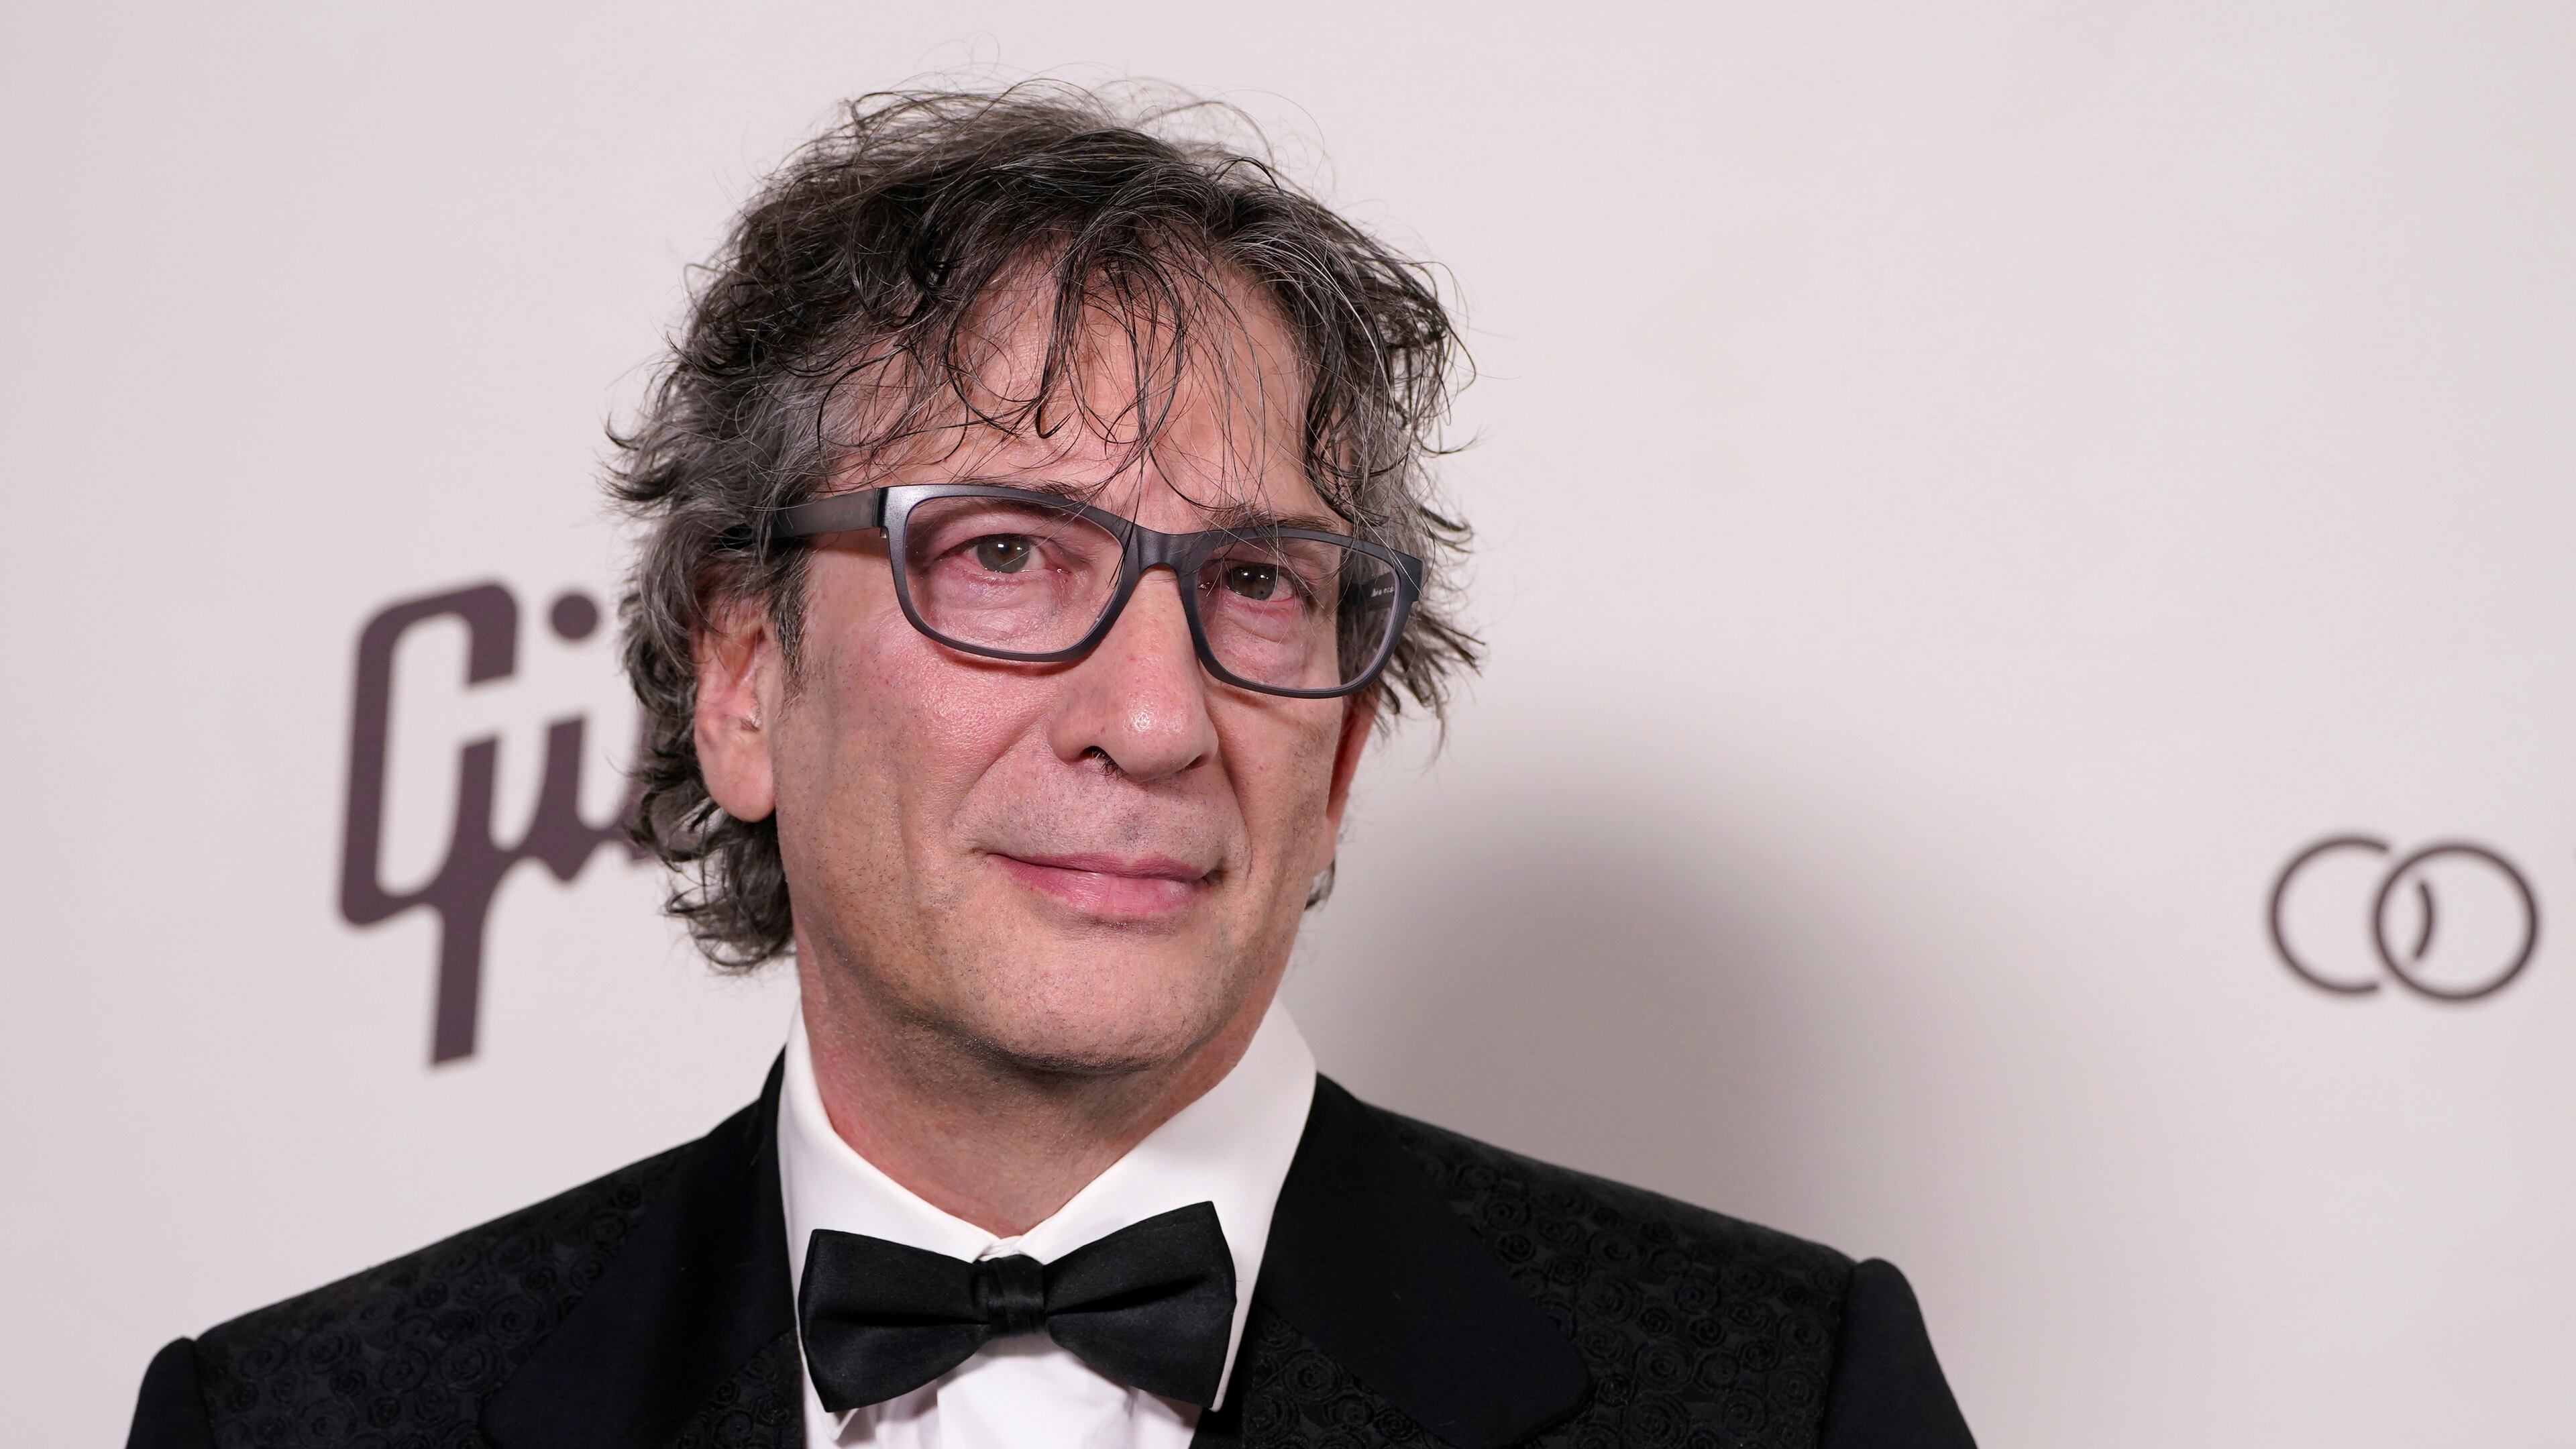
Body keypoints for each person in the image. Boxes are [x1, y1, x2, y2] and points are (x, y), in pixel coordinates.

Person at [126, 85, 1976, 1449]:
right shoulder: (294, 1424)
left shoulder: (1781, 1399)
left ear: (1337, 750)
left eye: (1258, 585)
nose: (1157, 718)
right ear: (745, 670)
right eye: (1006, 554)